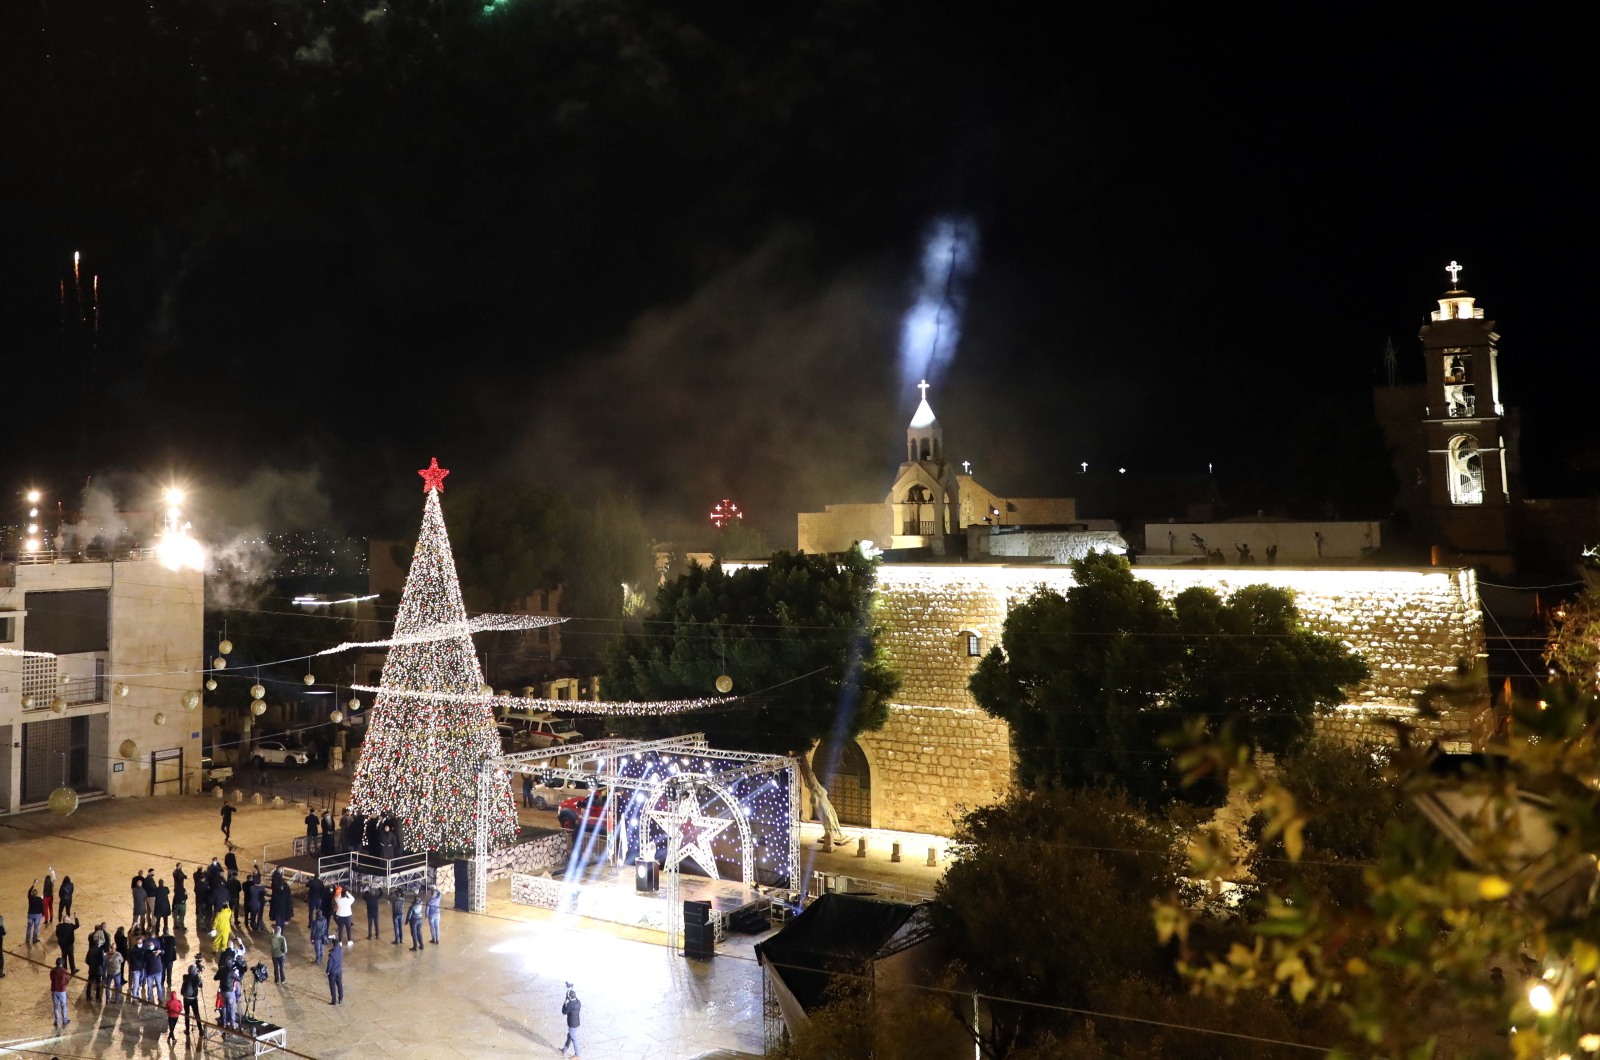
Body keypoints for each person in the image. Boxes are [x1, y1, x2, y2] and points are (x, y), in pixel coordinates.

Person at [180, 960, 203, 1038]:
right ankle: (201, 1030)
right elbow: (201, 985)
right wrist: (199, 975)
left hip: (186, 998)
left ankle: (187, 1029)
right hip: (193, 998)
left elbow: (186, 976)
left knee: (187, 1014)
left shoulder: (185, 977)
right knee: (196, 1013)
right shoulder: (196, 978)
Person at [559, 986, 581, 1057]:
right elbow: (574, 998)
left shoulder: (569, 1005)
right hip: (576, 1022)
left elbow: (564, 1012)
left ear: (570, 997)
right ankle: (564, 1050)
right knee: (569, 1036)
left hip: (572, 1024)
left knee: (574, 1039)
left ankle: (577, 1055)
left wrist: (565, 1001)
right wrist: (570, 992)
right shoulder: (578, 1002)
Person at [50, 957, 71, 1028]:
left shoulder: (52, 971)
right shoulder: (64, 971)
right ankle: (64, 1020)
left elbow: (51, 978)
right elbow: (67, 980)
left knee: (56, 1006)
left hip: (54, 990)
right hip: (62, 991)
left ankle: (57, 1021)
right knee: (63, 1005)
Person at [325, 933, 344, 1005]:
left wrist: (327, 971)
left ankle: (334, 1001)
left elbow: (329, 964)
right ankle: (341, 999)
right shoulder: (341, 950)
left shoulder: (332, 954)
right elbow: (339, 947)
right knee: (340, 985)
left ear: (333, 945)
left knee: (332, 986)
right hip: (339, 971)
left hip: (333, 972)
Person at [85, 937, 104, 1002]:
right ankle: (98, 997)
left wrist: (91, 965)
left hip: (92, 969)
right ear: (99, 943)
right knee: (98, 984)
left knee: (89, 983)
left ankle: (88, 996)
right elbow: (102, 961)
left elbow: (86, 960)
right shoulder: (100, 951)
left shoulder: (90, 950)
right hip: (98, 970)